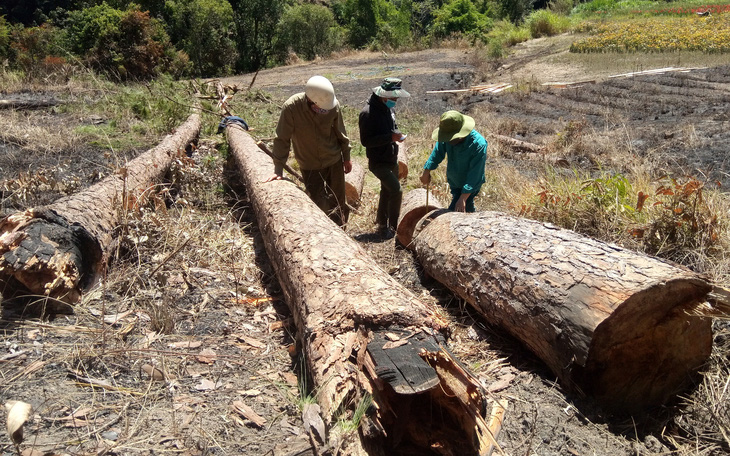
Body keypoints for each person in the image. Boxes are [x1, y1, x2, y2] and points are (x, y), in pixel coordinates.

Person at [267, 75, 352, 226]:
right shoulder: (292, 108)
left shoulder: (332, 106)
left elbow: (341, 133)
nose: (323, 111)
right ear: (310, 100)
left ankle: (341, 231)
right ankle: (323, 234)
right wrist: (278, 169)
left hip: (333, 159)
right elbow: (282, 139)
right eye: (320, 109)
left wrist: (346, 157)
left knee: (339, 202)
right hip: (309, 164)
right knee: (318, 203)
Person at [359, 78, 410, 238]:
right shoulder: (367, 113)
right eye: (393, 98)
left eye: (397, 98)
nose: (395, 101)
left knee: (386, 191)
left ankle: (382, 224)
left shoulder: (389, 109)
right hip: (378, 162)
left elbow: (391, 127)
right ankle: (394, 228)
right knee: (396, 190)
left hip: (391, 157)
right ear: (384, 95)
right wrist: (390, 137)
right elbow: (366, 141)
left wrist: (397, 136)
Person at [420, 110, 487, 213]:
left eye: (450, 139)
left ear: (460, 135)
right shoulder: (447, 138)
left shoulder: (478, 145)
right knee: (465, 210)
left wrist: (463, 197)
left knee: (455, 210)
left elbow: (475, 174)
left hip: (470, 184)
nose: (448, 141)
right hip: (455, 181)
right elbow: (438, 152)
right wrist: (427, 170)